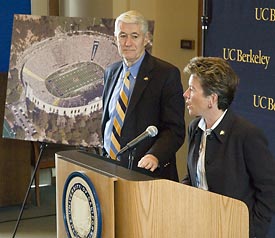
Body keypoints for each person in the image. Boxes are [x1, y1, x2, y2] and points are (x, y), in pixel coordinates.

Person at [182, 56, 275, 237]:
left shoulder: (246, 135)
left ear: (212, 99)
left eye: (192, 89)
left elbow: (269, 191)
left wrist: (251, 231)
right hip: (197, 226)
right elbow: (193, 177)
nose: (185, 94)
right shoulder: (195, 129)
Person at [101, 10, 185, 181]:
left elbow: (174, 129)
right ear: (115, 38)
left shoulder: (166, 74)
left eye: (135, 36)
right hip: (109, 168)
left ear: (146, 39)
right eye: (122, 36)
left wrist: (155, 155)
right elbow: (110, 119)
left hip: (145, 172)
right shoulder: (111, 72)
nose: (128, 42)